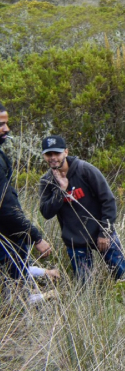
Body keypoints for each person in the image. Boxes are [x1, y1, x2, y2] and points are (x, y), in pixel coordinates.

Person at [39, 135, 125, 281]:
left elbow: (108, 200)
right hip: (75, 241)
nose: (53, 157)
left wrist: (105, 233)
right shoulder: (47, 181)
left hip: (101, 235)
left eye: (57, 153)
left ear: (66, 152)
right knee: (85, 285)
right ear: (44, 156)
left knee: (123, 278)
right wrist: (61, 190)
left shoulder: (85, 170)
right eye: (49, 154)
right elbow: (46, 212)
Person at [0, 103, 54, 284]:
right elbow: (6, 209)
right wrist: (35, 237)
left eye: (6, 123)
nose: (6, 129)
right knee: (13, 293)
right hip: (5, 242)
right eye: (1, 124)